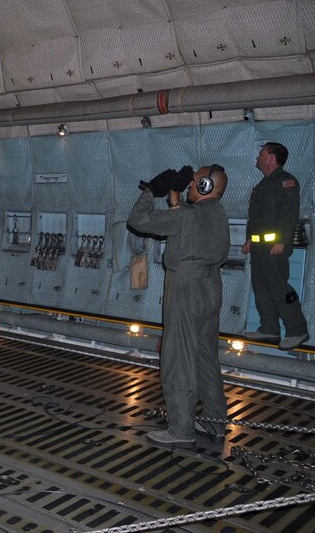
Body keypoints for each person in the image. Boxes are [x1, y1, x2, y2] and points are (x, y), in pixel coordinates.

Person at [128, 164, 230, 448]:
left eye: (193, 183)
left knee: (179, 356)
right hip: (211, 288)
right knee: (205, 356)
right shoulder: (218, 214)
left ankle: (181, 428)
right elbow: (184, 222)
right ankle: (214, 422)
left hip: (185, 288)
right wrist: (174, 194)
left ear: (204, 187)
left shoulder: (187, 216)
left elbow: (139, 220)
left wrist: (150, 191)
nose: (189, 186)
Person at [243, 142, 310, 351]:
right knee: (260, 286)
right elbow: (255, 217)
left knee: (279, 286)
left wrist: (282, 240)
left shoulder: (285, 181)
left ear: (271, 158)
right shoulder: (263, 184)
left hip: (275, 246)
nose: (258, 157)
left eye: (261, 154)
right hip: (260, 246)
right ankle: (269, 328)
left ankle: (297, 330)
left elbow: (289, 213)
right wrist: (249, 239)